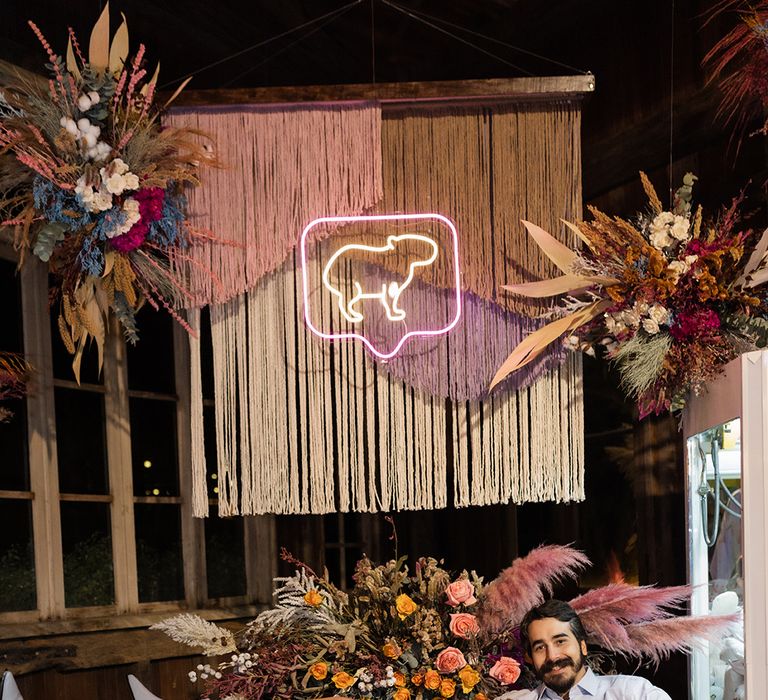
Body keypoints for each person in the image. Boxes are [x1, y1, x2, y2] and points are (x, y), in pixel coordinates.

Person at [499, 600, 672, 699]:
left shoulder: (633, 693)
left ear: (582, 646)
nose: (552, 656)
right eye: (540, 647)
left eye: (560, 641)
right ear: (529, 657)